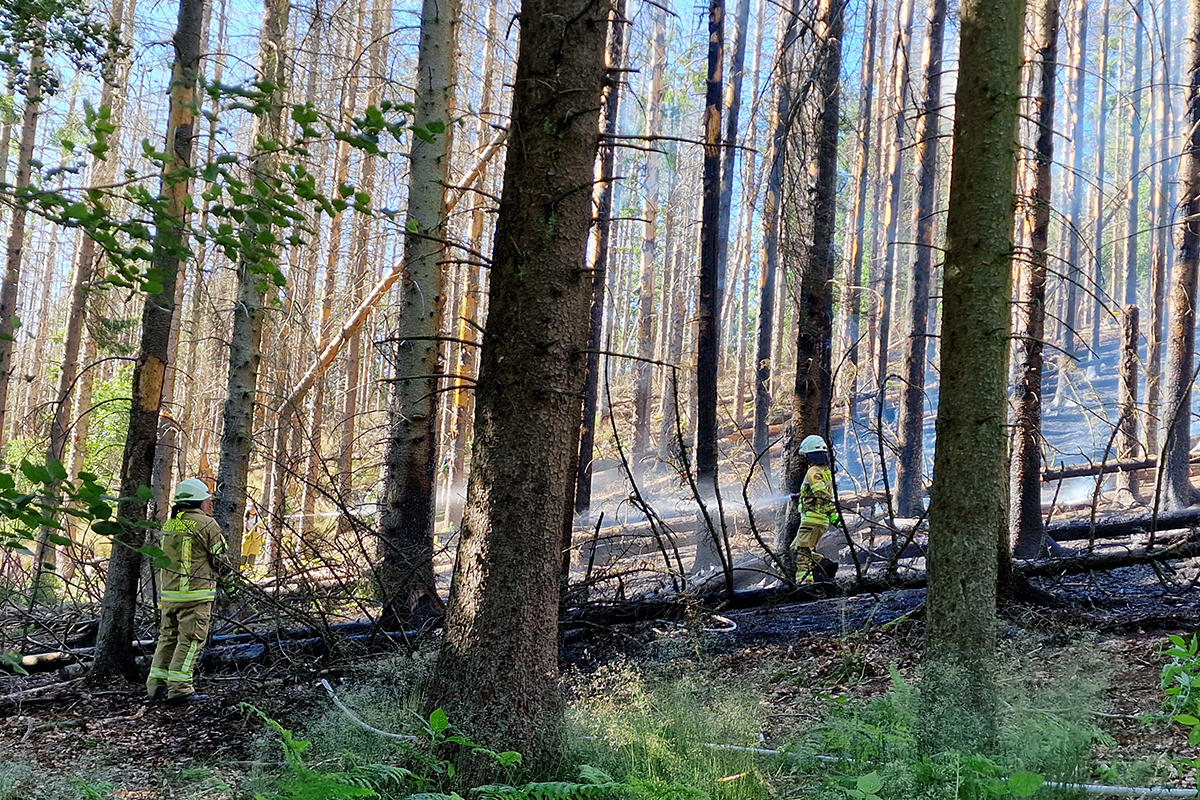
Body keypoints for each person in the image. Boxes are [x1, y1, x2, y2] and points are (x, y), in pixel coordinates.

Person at [146, 478, 226, 704]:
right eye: (207, 500)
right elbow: (221, 560)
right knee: (190, 641)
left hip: (170, 596)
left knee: (167, 639)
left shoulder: (170, 524)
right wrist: (230, 584)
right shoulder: (207, 524)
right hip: (195, 595)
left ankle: (156, 687)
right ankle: (180, 689)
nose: (209, 504)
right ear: (200, 501)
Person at [789, 435, 840, 583]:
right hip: (819, 520)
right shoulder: (825, 471)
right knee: (796, 548)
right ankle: (826, 565)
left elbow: (822, 494)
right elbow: (818, 491)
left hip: (812, 519)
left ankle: (805, 584)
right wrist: (801, 495)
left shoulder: (812, 472)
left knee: (803, 555)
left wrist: (832, 514)